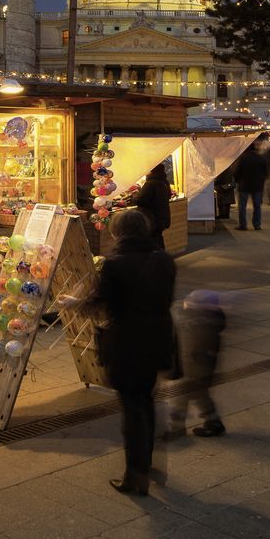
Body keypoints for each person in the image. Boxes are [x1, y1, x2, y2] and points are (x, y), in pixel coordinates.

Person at [92, 210, 176, 496]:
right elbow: (166, 299)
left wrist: (78, 300)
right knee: (146, 402)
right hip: (158, 338)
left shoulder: (114, 265)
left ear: (117, 233)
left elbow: (104, 303)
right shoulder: (164, 260)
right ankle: (146, 462)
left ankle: (136, 476)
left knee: (133, 409)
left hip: (127, 343)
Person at [166, 290, 226, 438]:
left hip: (193, 370)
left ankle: (177, 428)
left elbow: (191, 349)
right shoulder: (206, 321)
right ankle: (214, 422)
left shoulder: (199, 324)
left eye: (189, 302)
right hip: (195, 370)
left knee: (180, 397)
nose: (185, 303)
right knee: (200, 396)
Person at [234, 136, 270, 230]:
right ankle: (257, 225)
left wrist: (237, 180)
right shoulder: (261, 158)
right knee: (257, 206)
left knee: (242, 206)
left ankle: (243, 225)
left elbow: (236, 172)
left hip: (243, 185)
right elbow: (266, 172)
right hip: (257, 186)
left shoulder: (243, 158)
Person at [135, 163, 173, 250]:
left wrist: (134, 196)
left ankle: (155, 260)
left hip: (151, 218)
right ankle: (161, 258)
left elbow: (140, 199)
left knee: (151, 240)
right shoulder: (164, 182)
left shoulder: (150, 184)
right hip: (161, 217)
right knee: (158, 239)